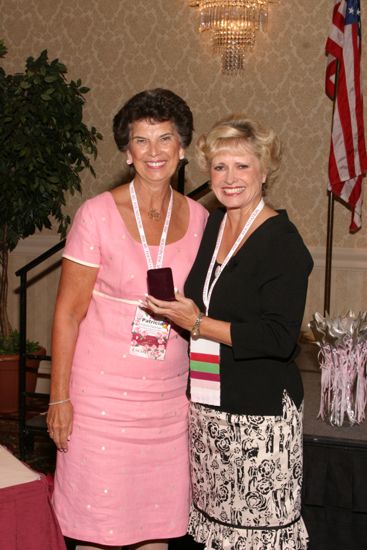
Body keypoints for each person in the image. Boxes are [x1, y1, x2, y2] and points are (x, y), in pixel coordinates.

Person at [46, 88, 208, 550]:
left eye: (165, 139)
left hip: (168, 409)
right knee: (98, 533)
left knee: (157, 534)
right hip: (100, 405)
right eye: (141, 140)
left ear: (183, 148)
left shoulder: (200, 219)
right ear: (126, 151)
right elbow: (68, 313)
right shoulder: (95, 215)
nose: (154, 151)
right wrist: (59, 399)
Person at [145, 115, 313, 549]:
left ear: (264, 169)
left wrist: (196, 323)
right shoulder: (214, 224)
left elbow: (279, 338)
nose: (230, 178)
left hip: (260, 419)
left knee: (256, 538)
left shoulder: (283, 241)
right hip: (208, 408)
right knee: (214, 535)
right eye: (219, 167)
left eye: (242, 166)